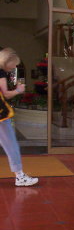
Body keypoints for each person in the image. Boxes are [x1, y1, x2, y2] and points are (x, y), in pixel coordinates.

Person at [0, 48, 38, 187]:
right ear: (7, 61)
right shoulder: (1, 72)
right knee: (11, 144)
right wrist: (18, 90)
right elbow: (6, 94)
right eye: (14, 64)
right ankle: (20, 176)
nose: (14, 67)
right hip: (1, 116)